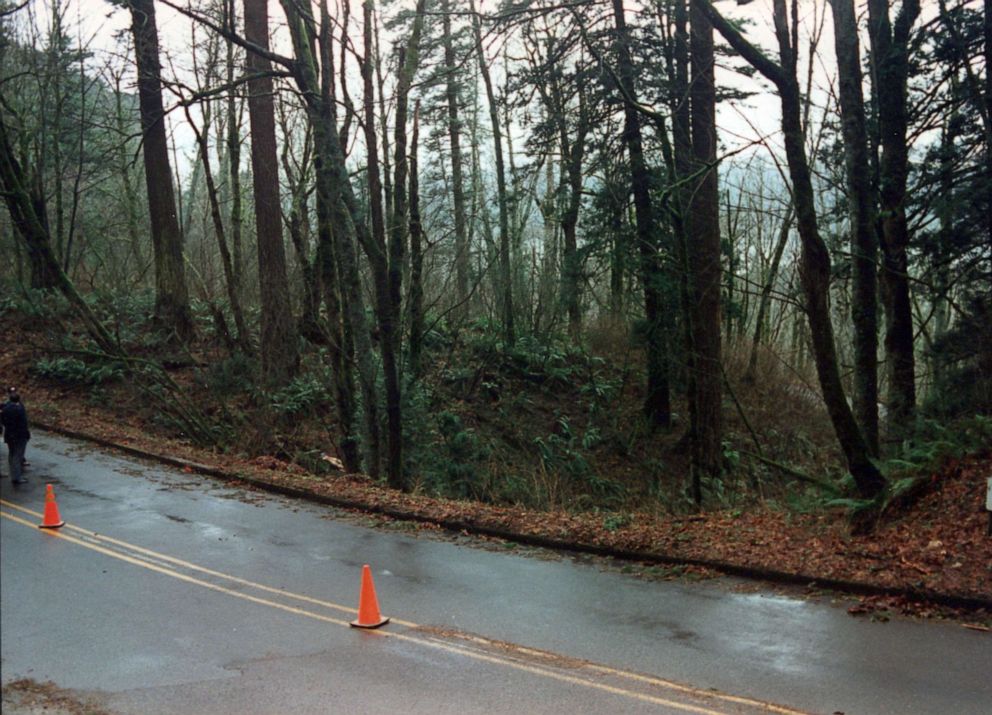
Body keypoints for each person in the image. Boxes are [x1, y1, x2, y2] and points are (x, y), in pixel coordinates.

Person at [1, 388, 31, 484]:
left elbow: (3, 421)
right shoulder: (20, 409)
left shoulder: (5, 409)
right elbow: (23, 424)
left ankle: (14, 473)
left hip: (9, 435)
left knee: (12, 454)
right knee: (17, 456)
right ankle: (16, 477)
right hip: (19, 436)